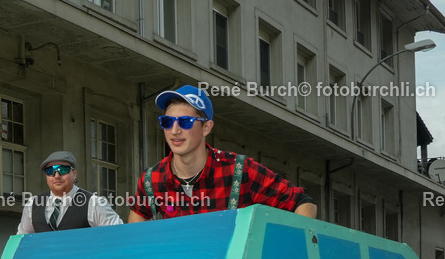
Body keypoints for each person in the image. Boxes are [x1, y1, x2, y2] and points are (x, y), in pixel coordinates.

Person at [127, 86, 317, 221]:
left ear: (206, 127)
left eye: (185, 122)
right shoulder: (153, 179)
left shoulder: (240, 171)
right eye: (167, 122)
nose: (174, 131)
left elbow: (303, 203)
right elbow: (136, 224)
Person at [17, 151, 122, 233]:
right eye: (50, 171)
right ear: (46, 177)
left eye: (63, 170)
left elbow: (119, 235)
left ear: (74, 174)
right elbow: (21, 242)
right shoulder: (32, 205)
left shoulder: (94, 204)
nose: (57, 176)